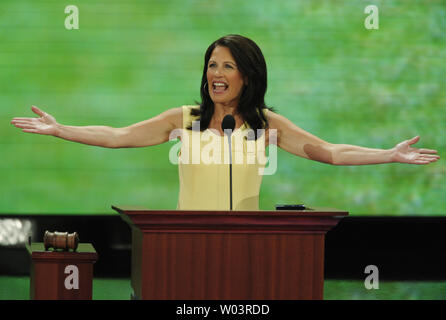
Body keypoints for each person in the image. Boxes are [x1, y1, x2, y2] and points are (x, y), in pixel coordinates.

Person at [10, 34, 440, 211]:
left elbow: (328, 152)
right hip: (185, 242)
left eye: (227, 66)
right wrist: (61, 128)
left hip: (246, 241)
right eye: (211, 65)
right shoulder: (184, 119)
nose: (216, 74)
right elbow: (118, 136)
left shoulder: (266, 124)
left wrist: (389, 154)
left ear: (247, 76)